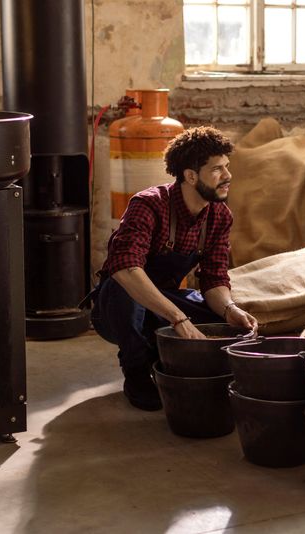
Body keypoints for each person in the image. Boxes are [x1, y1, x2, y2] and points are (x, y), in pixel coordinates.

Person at [90, 126, 258, 411]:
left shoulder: (219, 216)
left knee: (214, 315)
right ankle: (136, 370)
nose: (228, 176)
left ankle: (172, 359)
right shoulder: (149, 205)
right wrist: (179, 320)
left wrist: (230, 309)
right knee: (125, 289)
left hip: (163, 305)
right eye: (217, 169)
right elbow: (125, 267)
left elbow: (214, 279)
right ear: (191, 176)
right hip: (117, 309)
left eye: (227, 167)